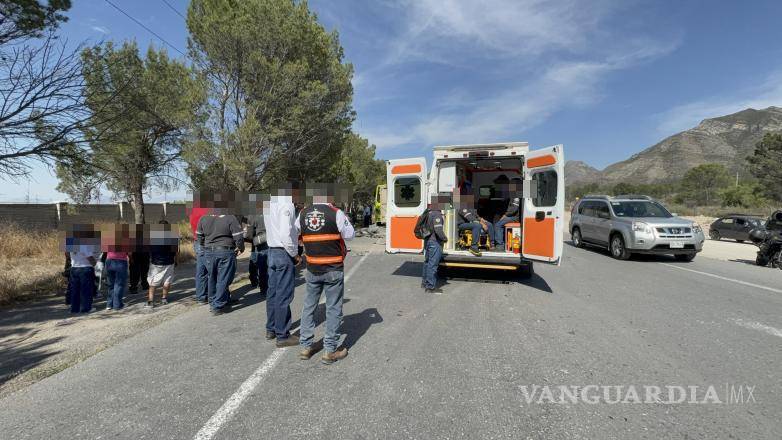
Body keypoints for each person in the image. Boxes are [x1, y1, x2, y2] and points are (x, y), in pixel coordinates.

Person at [296, 188, 354, 364]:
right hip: (333, 268)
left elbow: (296, 232)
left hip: (313, 268)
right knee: (333, 308)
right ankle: (330, 350)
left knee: (309, 306)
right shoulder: (336, 213)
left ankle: (306, 346)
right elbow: (350, 235)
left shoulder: (303, 213)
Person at [263, 187, 300, 347]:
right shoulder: (287, 205)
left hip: (271, 250)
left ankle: (271, 328)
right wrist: (295, 254)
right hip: (283, 252)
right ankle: (282, 335)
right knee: (283, 295)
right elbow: (285, 234)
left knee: (272, 292)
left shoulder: (268, 203)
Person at [197, 205, 244, 315]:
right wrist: (240, 248)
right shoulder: (230, 217)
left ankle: (214, 301)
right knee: (224, 278)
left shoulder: (204, 218)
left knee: (212, 277)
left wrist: (205, 246)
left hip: (209, 252)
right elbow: (239, 237)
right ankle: (218, 304)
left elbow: (199, 236)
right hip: (225, 251)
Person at [146, 220, 179, 308]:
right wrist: (176, 261)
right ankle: (164, 298)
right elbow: (176, 251)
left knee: (153, 282)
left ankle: (151, 301)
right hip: (169, 262)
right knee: (167, 281)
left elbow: (149, 250)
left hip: (156, 263)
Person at [422, 196, 449, 294]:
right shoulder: (437, 214)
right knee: (433, 265)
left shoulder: (429, 212)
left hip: (428, 241)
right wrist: (445, 239)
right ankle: (430, 287)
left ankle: (425, 283)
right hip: (435, 242)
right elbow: (438, 230)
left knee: (427, 262)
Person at [68, 233, 100, 314]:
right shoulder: (84, 245)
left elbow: (66, 254)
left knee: (75, 290)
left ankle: (74, 309)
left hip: (74, 268)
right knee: (86, 290)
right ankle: (86, 308)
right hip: (85, 268)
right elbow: (89, 257)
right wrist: (95, 264)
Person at [189, 197, 211, 304]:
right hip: (206, 241)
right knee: (212, 269)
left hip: (197, 240)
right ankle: (213, 295)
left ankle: (201, 296)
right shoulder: (208, 211)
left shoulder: (194, 211)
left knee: (201, 270)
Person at [244, 212, 268, 296]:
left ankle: (261, 287)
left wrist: (246, 238)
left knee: (261, 266)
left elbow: (249, 235)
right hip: (273, 241)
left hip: (260, 242)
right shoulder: (273, 211)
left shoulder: (252, 215)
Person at [494, 180, 522, 250]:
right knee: (499, 221)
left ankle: (500, 245)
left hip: (515, 217)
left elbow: (514, 209)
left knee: (497, 225)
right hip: (515, 216)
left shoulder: (515, 195)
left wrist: (505, 215)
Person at [104, 245, 128, 311]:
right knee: (119, 284)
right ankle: (117, 305)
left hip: (109, 260)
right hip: (121, 261)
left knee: (111, 284)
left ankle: (109, 304)